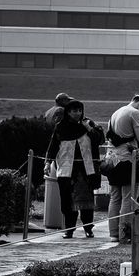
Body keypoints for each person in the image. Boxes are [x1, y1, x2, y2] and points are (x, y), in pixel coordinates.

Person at [45, 100, 101, 238]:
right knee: (67, 200)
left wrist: (88, 128)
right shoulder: (60, 127)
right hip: (66, 169)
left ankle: (88, 228)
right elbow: (53, 147)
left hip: (85, 169)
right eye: (74, 111)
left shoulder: (88, 124)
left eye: (79, 110)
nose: (78, 113)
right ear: (68, 112)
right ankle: (69, 229)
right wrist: (47, 163)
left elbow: (99, 140)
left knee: (86, 201)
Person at [104, 93, 139, 241]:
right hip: (126, 160)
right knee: (127, 197)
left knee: (114, 197)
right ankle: (124, 233)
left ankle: (113, 233)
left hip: (111, 159)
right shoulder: (134, 113)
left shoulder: (116, 112)